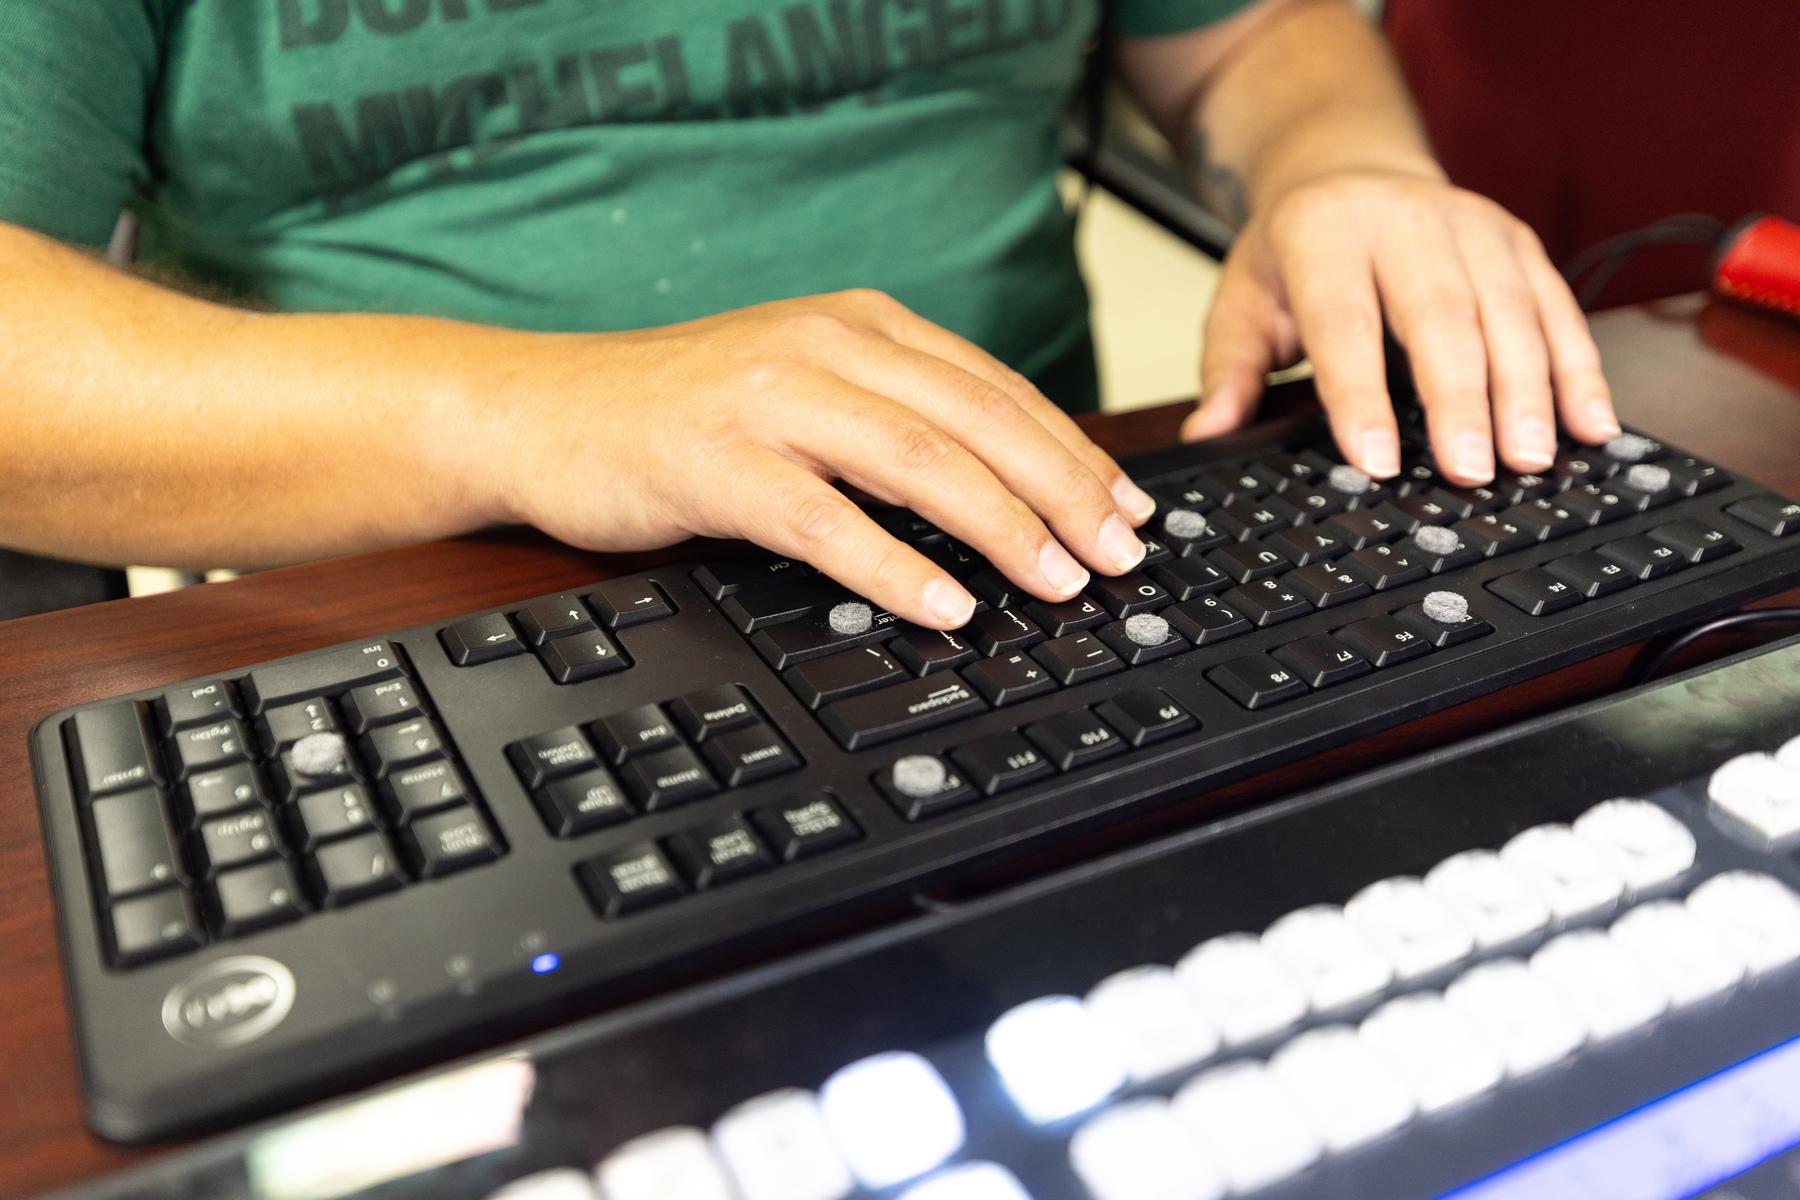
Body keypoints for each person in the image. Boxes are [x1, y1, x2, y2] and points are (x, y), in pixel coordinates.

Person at [0, 0, 1618, 628]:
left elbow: (1247, 30)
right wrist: (534, 408)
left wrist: (1341, 164)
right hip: (430, 628)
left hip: (1047, 567)